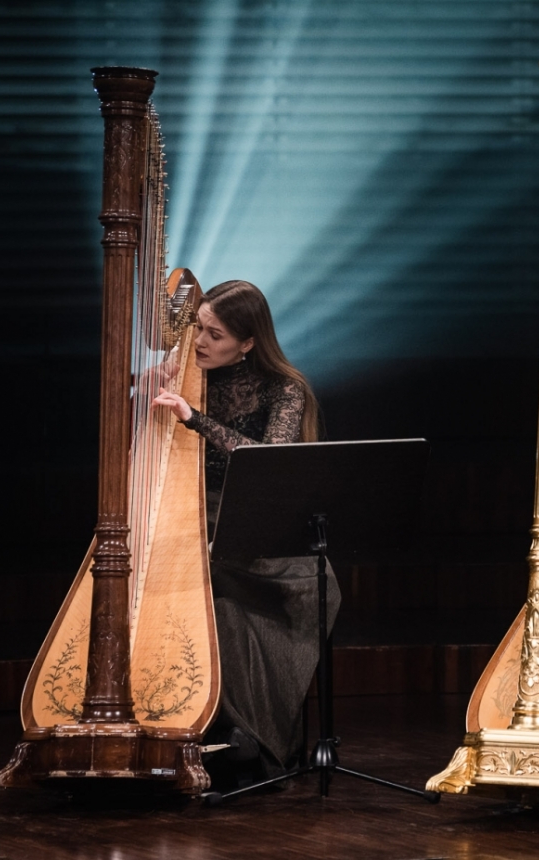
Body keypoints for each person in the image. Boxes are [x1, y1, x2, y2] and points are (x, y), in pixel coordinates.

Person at [152, 279, 337, 790]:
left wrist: (195, 419)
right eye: (197, 329)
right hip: (197, 520)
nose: (201, 343)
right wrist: (148, 383)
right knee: (200, 584)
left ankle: (248, 735)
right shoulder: (189, 376)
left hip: (261, 529)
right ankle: (200, 723)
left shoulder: (285, 389)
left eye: (215, 334)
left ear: (248, 343)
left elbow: (267, 462)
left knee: (223, 592)